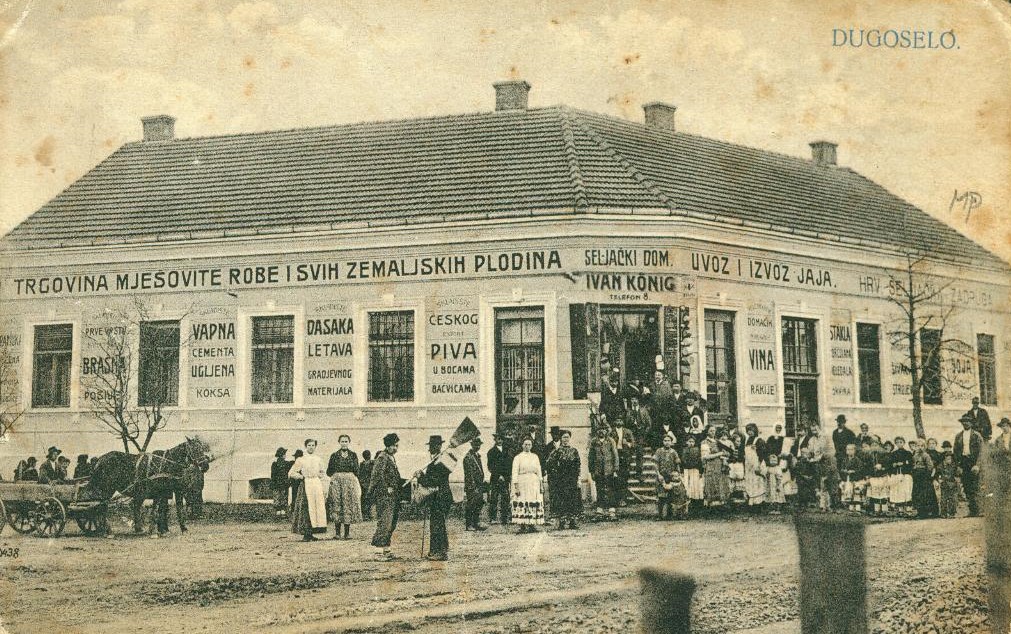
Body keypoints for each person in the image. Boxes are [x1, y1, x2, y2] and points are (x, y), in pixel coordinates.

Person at [417, 435, 453, 560]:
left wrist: (420, 477)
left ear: (439, 446)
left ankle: (439, 552)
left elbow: (434, 481)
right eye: (430, 446)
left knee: (437, 524)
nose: (430, 449)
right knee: (438, 523)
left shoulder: (441, 461)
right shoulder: (436, 460)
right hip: (439, 497)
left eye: (432, 446)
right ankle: (439, 550)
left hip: (441, 497)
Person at [369, 433, 403, 560]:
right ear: (388, 446)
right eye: (394, 446)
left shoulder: (391, 457)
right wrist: (386, 488)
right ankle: (378, 552)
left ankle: (386, 550)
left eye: (397, 446)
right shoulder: (382, 457)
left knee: (391, 523)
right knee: (385, 522)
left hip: (393, 496)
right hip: (384, 496)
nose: (396, 448)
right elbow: (377, 476)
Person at [289, 439, 328, 542]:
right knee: (306, 508)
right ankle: (306, 533)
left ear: (315, 447)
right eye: (309, 445)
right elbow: (292, 473)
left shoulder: (318, 459)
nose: (311, 447)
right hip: (306, 485)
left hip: (316, 484)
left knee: (316, 507)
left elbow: (323, 472)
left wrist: (319, 476)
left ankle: (312, 533)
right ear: (306, 446)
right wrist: (301, 477)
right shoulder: (301, 459)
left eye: (313, 445)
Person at [326, 434, 362, 540]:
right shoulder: (334, 455)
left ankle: (347, 533)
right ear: (339, 442)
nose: (344, 443)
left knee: (347, 504)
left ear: (349, 442)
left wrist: (349, 477)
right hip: (336, 482)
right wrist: (337, 477)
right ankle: (337, 533)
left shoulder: (353, 455)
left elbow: (357, 470)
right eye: (342, 441)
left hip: (349, 483)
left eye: (346, 441)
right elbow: (329, 471)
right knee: (336, 503)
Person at [544, 429, 582, 529]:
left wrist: (578, 478)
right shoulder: (556, 451)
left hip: (572, 479)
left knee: (572, 499)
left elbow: (578, 465)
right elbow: (548, 463)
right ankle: (561, 522)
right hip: (561, 480)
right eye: (564, 437)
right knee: (561, 500)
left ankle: (572, 522)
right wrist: (555, 474)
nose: (566, 439)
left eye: (567, 437)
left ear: (570, 438)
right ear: (561, 438)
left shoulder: (574, 451)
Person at [511, 437, 545, 533]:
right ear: (522, 445)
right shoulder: (518, 457)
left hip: (534, 482)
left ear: (531, 446)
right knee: (522, 500)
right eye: (525, 444)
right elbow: (514, 472)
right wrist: (516, 487)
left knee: (533, 501)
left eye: (529, 444)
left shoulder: (535, 457)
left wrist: (541, 485)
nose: (527, 446)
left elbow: (539, 471)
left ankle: (532, 525)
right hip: (522, 482)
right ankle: (522, 525)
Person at [953, 414, 984, 517]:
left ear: (971, 423)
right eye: (964, 421)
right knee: (966, 486)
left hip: (973, 462)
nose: (965, 423)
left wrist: (977, 465)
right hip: (963, 462)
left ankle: (979, 510)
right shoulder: (958, 436)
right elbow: (956, 452)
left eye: (967, 421)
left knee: (975, 486)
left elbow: (981, 451)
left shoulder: (977, 435)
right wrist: (958, 465)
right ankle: (972, 510)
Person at [588, 424, 619, 520]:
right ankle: (599, 512)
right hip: (598, 470)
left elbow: (615, 455)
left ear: (606, 431)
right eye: (599, 430)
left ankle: (612, 512)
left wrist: (615, 469)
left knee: (610, 490)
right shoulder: (594, 442)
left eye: (603, 429)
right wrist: (591, 471)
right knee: (599, 490)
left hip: (609, 470)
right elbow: (591, 457)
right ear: (597, 431)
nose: (601, 431)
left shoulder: (611, 441)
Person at [653, 433, 682, 520]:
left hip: (671, 476)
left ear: (671, 442)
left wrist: (678, 474)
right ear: (663, 442)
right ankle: (660, 515)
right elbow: (655, 464)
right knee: (661, 496)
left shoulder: (674, 452)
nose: (667, 442)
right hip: (661, 476)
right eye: (665, 441)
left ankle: (669, 515)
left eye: (669, 441)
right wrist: (658, 474)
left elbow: (677, 464)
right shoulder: (659, 451)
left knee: (671, 496)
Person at [701, 426, 729, 510]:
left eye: (714, 431)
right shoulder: (704, 442)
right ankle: (712, 505)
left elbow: (726, 452)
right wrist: (719, 454)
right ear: (707, 432)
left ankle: (720, 505)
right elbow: (705, 456)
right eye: (711, 431)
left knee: (719, 482)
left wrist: (724, 456)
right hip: (710, 465)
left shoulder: (717, 441)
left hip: (719, 465)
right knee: (711, 482)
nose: (713, 432)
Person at [486, 433, 512, 524]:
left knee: (505, 498)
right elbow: (490, 466)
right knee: (494, 498)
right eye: (498, 439)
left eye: (501, 439)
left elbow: (509, 464)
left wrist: (506, 476)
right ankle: (493, 518)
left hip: (505, 479)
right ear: (495, 440)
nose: (500, 441)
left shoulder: (507, 450)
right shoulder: (491, 452)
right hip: (495, 479)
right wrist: (498, 475)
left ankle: (504, 518)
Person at [910, 440, 939, 519]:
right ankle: (921, 512)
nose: (920, 448)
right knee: (918, 494)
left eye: (922, 446)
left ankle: (932, 512)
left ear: (924, 447)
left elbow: (930, 466)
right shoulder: (914, 456)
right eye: (918, 446)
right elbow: (913, 465)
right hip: (917, 477)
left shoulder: (926, 455)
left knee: (927, 494)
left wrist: (927, 476)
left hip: (924, 477)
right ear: (915, 447)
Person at [463, 437, 487, 531]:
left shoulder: (477, 456)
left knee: (478, 504)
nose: (477, 446)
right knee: (471, 505)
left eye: (479, 445)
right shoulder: (468, 457)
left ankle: (476, 523)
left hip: (479, 485)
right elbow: (469, 474)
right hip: (472, 486)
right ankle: (469, 524)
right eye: (475, 444)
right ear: (472, 445)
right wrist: (473, 487)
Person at [837, 443, 867, 513]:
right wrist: (844, 471)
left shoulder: (857, 460)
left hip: (856, 479)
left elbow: (860, 469)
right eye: (848, 449)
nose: (849, 451)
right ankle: (851, 508)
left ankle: (858, 509)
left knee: (856, 493)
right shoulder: (844, 460)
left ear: (854, 450)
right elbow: (841, 468)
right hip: (848, 479)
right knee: (849, 494)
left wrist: (854, 471)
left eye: (851, 449)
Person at [612, 416, 636, 506]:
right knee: (616, 478)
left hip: (625, 456)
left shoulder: (628, 431)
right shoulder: (611, 432)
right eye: (617, 420)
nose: (619, 422)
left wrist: (628, 444)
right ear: (615, 422)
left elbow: (633, 444)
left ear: (623, 422)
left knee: (624, 477)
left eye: (620, 420)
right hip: (615, 455)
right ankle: (616, 500)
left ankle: (623, 499)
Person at [888, 437, 913, 516]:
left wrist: (903, 463)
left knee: (906, 491)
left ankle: (908, 510)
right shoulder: (893, 454)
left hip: (905, 475)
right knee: (898, 492)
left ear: (904, 443)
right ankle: (900, 510)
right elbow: (890, 464)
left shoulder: (908, 453)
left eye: (901, 442)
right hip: (896, 474)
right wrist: (894, 464)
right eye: (897, 442)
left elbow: (911, 463)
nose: (899, 444)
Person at [743, 423, 767, 509]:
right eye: (748, 430)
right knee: (750, 483)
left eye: (751, 430)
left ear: (755, 430)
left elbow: (762, 454)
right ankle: (751, 502)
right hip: (748, 466)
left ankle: (759, 503)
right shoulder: (747, 440)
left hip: (757, 464)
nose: (749, 432)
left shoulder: (759, 440)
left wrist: (759, 465)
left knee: (757, 482)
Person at [182, 455, 209, 519]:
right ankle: (195, 513)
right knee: (194, 499)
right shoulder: (193, 469)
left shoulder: (190, 469)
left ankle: (194, 513)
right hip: (194, 486)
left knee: (194, 499)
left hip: (194, 486)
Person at [936, 452, 960, 518]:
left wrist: (957, 478)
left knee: (953, 499)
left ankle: (951, 513)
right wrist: (939, 479)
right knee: (944, 499)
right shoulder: (940, 466)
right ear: (944, 459)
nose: (949, 460)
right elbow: (937, 474)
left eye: (950, 459)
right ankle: (943, 513)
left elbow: (958, 474)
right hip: (944, 484)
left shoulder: (954, 466)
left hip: (953, 484)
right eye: (947, 459)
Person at [271, 448, 293, 518]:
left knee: (277, 497)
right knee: (284, 496)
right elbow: (293, 463)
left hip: (276, 484)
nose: (285, 455)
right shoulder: (287, 464)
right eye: (284, 454)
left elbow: (272, 475)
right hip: (284, 484)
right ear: (283, 455)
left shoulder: (274, 464)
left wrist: (273, 484)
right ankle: (283, 511)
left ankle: (278, 512)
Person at [359, 450, 375, 520]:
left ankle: (365, 515)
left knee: (364, 500)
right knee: (369, 500)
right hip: (369, 483)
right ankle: (368, 515)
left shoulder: (362, 464)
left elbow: (359, 474)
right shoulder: (372, 463)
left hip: (363, 484)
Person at [288, 449, 304, 517]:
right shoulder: (295, 464)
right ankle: (294, 510)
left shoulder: (295, 464)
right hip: (297, 483)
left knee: (295, 496)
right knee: (296, 496)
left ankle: (294, 510)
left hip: (296, 483)